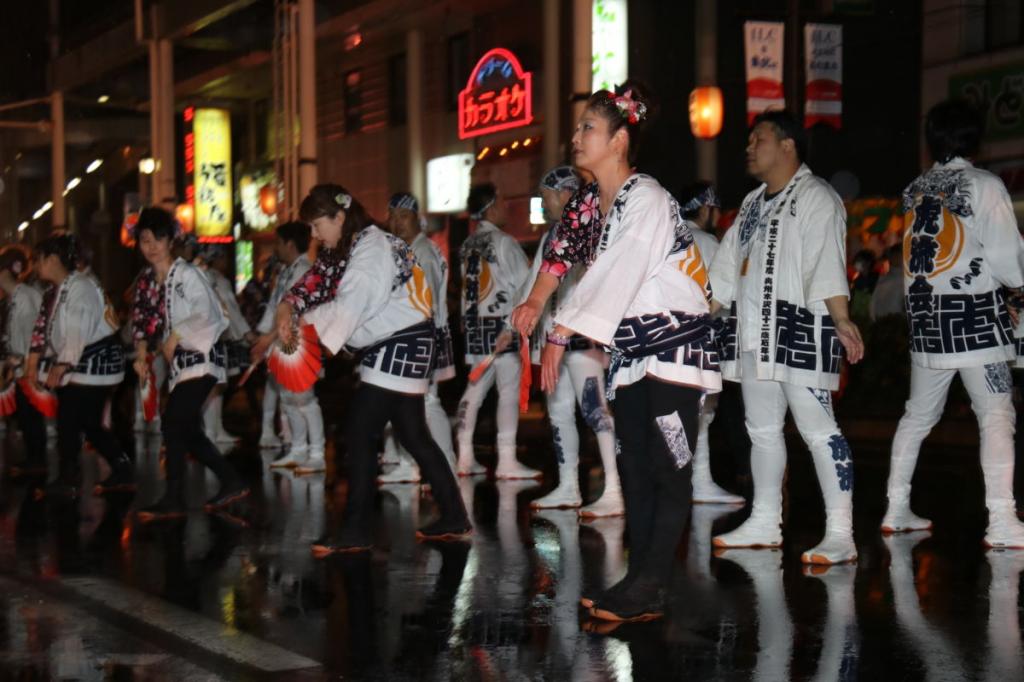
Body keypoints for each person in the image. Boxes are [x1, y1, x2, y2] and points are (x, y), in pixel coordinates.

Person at [512, 82, 721, 621]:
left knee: (670, 465)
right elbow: (559, 252)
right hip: (633, 354)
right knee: (632, 466)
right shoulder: (589, 202)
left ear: (619, 140)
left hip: (677, 351)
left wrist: (560, 331)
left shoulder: (645, 197)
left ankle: (652, 583)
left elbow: (617, 270)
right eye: (579, 127)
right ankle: (641, 578)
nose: (576, 137)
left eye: (588, 128)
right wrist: (535, 303)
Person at [276, 184, 471, 554]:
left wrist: (303, 326)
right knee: (414, 435)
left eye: (318, 226)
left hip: (398, 342)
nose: (315, 236)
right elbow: (317, 281)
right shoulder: (353, 246)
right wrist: (289, 306)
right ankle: (454, 515)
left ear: (339, 217)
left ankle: (356, 530)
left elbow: (349, 306)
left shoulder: (370, 248)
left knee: (361, 430)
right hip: (405, 341)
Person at [709, 110, 864, 565]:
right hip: (756, 332)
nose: (749, 147)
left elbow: (828, 261)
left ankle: (840, 532)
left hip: (802, 329)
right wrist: (708, 312)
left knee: (818, 431)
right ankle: (764, 519)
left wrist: (841, 317)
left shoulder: (817, 196)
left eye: (759, 139)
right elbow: (725, 266)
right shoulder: (754, 202)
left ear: (788, 146)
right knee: (761, 431)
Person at [882, 99, 1024, 548]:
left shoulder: (916, 188)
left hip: (927, 319)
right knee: (996, 415)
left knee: (917, 416)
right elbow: (1006, 256)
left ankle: (895, 506)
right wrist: (1018, 288)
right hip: (974, 316)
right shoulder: (984, 184)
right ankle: (1002, 520)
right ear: (973, 137)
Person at [130, 208, 250, 521]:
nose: (152, 246)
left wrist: (175, 336)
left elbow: (209, 312)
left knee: (172, 422)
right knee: (187, 429)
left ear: (171, 240)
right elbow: (142, 324)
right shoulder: (146, 282)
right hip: (181, 365)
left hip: (204, 358)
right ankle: (231, 480)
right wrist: (142, 355)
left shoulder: (187, 274)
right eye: (145, 240)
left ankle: (174, 498)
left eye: (159, 238)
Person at [520, 166, 623, 517]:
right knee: (559, 411)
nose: (544, 203)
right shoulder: (553, 234)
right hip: (554, 335)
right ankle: (568, 485)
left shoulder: (590, 226)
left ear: (565, 194)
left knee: (595, 411)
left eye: (547, 196)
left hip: (582, 336)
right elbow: (535, 282)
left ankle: (614, 488)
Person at [29, 233, 134, 498]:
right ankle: (119, 467)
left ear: (53, 259)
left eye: (38, 260)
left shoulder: (80, 287)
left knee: (72, 419)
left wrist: (63, 363)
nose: (35, 266)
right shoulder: (61, 288)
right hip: (83, 363)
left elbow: (77, 328)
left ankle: (70, 475)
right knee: (86, 422)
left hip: (93, 362)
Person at [454, 182, 538, 479]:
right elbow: (525, 285)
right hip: (502, 326)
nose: (505, 206)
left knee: (474, 391)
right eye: (501, 201)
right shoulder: (503, 241)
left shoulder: (467, 244)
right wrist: (511, 327)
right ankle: (506, 460)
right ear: (490, 206)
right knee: (507, 392)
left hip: (477, 328)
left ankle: (464, 456)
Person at [378, 192, 457, 483]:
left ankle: (445, 463)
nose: (397, 222)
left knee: (429, 402)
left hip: (424, 334)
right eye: (393, 216)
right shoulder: (410, 249)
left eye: (403, 216)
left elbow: (429, 300)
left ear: (416, 217)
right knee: (409, 401)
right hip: (418, 334)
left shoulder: (423, 251)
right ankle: (410, 464)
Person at [678, 181, 745, 505]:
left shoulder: (669, 240)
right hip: (703, 337)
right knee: (703, 411)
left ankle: (686, 480)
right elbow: (729, 292)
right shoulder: (708, 242)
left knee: (681, 411)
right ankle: (699, 480)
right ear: (706, 208)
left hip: (667, 338)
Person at [250, 221, 324, 471]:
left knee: (305, 399)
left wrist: (267, 337)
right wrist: (262, 337)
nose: (276, 248)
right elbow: (274, 306)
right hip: (283, 342)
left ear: (290, 244)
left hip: (301, 341)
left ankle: (317, 453)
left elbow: (293, 312)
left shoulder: (305, 269)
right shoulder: (287, 271)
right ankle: (298, 449)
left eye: (279, 243)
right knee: (288, 398)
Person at [196, 245, 253, 445]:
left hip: (206, 338)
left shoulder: (201, 276)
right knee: (213, 385)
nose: (226, 262)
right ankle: (210, 431)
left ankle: (215, 429)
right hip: (214, 339)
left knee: (217, 385)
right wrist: (247, 334)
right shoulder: (216, 279)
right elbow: (231, 310)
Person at [0, 247, 46, 474]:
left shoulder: (25, 297)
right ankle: (34, 458)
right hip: (20, 365)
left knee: (30, 413)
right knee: (26, 413)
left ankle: (37, 460)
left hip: (29, 365)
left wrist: (26, 362)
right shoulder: (14, 298)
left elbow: (32, 335)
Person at [869, 244, 904, 321]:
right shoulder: (882, 279)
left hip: (898, 325)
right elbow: (874, 302)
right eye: (893, 255)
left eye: (898, 255)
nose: (895, 258)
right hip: (881, 324)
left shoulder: (907, 280)